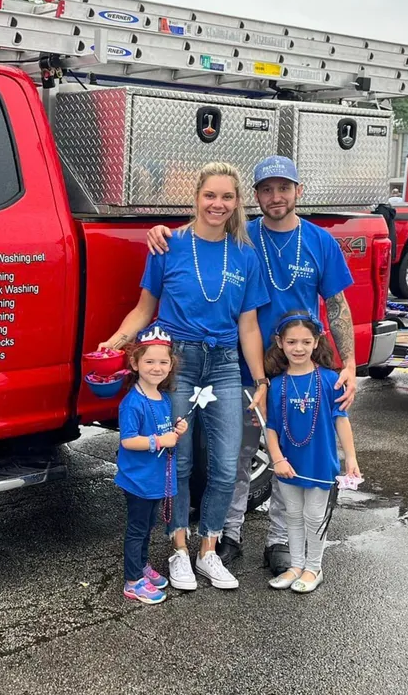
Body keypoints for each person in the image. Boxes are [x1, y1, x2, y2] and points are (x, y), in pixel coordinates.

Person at [145, 155, 357, 576]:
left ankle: (280, 541)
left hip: (300, 366)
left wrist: (349, 364)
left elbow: (337, 305)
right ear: (254, 197)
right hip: (243, 363)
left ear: (299, 192)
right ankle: (230, 535)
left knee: (295, 450)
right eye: (266, 189)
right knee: (238, 455)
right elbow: (198, 234)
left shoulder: (320, 242)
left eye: (284, 188)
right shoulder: (242, 236)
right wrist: (160, 229)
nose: (275, 196)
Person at [101, 161, 270, 591]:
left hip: (226, 364)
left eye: (227, 197)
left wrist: (261, 381)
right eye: (210, 195)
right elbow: (144, 308)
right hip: (178, 362)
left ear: (237, 203)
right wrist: (117, 341)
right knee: (178, 459)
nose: (218, 204)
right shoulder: (168, 246)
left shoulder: (245, 254)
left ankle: (208, 550)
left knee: (228, 461)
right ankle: (178, 550)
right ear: (196, 197)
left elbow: (248, 325)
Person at [262, 311, 361, 593]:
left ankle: (313, 568)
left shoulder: (331, 380)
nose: (298, 348)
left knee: (315, 517)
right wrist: (277, 459)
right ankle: (295, 565)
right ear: (280, 343)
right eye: (292, 342)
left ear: (316, 342)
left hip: (319, 461)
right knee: (292, 513)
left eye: (305, 342)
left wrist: (350, 458)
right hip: (288, 463)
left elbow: (341, 420)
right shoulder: (277, 384)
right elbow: (271, 427)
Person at [116, 326, 189, 605]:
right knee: (137, 529)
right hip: (138, 480)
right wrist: (160, 440)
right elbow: (128, 441)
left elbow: (166, 433)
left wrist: (177, 430)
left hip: (156, 479)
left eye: (163, 362)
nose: (156, 367)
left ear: (171, 365)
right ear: (135, 363)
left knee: (147, 527)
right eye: (149, 361)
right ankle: (133, 581)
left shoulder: (165, 398)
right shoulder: (132, 403)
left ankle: (142, 566)